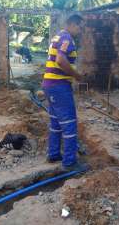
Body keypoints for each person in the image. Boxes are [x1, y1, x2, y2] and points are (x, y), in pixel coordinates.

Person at [42, 14, 88, 172]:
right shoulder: (67, 38)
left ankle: (53, 154)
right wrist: (77, 76)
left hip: (49, 85)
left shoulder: (58, 37)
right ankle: (70, 163)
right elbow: (60, 60)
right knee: (69, 124)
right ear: (73, 24)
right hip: (59, 87)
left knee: (56, 122)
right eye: (80, 27)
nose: (81, 30)